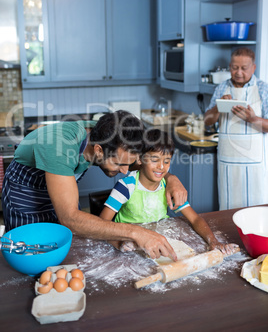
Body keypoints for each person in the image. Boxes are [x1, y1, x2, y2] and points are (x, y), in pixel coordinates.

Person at [2, 110, 187, 260]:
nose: (125, 171)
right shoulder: (60, 146)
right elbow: (71, 219)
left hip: (61, 192)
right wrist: (136, 232)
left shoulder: (110, 138)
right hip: (26, 194)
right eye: (119, 164)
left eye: (128, 163)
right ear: (98, 150)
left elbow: (148, 164)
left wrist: (171, 178)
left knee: (65, 249)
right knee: (30, 254)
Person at [100, 129, 235, 255]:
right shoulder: (126, 187)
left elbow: (195, 219)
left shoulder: (169, 188)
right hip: (129, 248)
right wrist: (119, 243)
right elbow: (102, 224)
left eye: (166, 161)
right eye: (154, 160)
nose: (161, 167)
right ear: (140, 159)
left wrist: (213, 241)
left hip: (156, 245)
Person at [204, 48, 268, 210]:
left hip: (254, 163)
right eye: (234, 67)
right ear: (229, 66)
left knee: (255, 209)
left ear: (253, 68)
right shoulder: (221, 88)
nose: (238, 72)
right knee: (227, 207)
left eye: (244, 68)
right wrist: (218, 107)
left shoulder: (263, 89)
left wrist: (252, 119)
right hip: (228, 161)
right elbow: (207, 121)